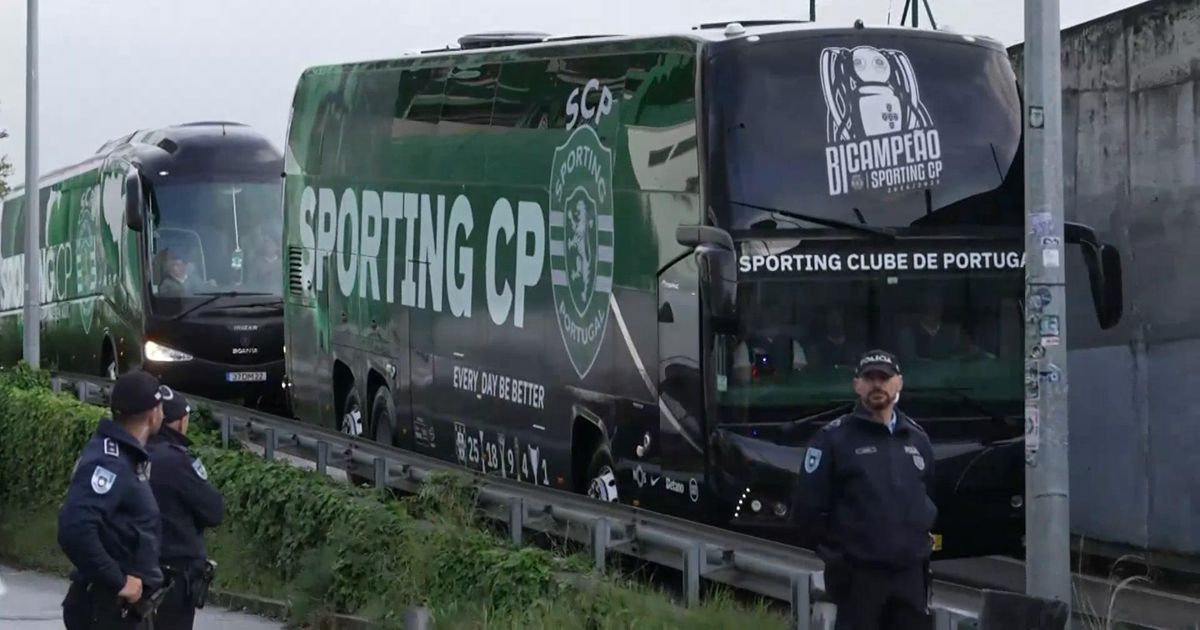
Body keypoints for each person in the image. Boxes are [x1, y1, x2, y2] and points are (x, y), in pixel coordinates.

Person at [789, 350, 937, 630]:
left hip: (909, 580)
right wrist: (837, 561)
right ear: (857, 385)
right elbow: (807, 510)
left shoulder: (917, 438)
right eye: (870, 378)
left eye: (884, 378)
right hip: (858, 580)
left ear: (899, 382)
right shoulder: (833, 439)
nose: (877, 385)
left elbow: (928, 495)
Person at [58, 371, 169, 629]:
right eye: (161, 408)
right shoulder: (110, 462)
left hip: (120, 609)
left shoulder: (125, 458)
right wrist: (117, 581)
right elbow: (75, 528)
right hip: (106, 608)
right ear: (153, 414)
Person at [146, 388, 224, 630]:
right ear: (181, 422)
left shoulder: (130, 452)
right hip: (174, 573)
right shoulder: (178, 461)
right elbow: (214, 511)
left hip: (132, 571)